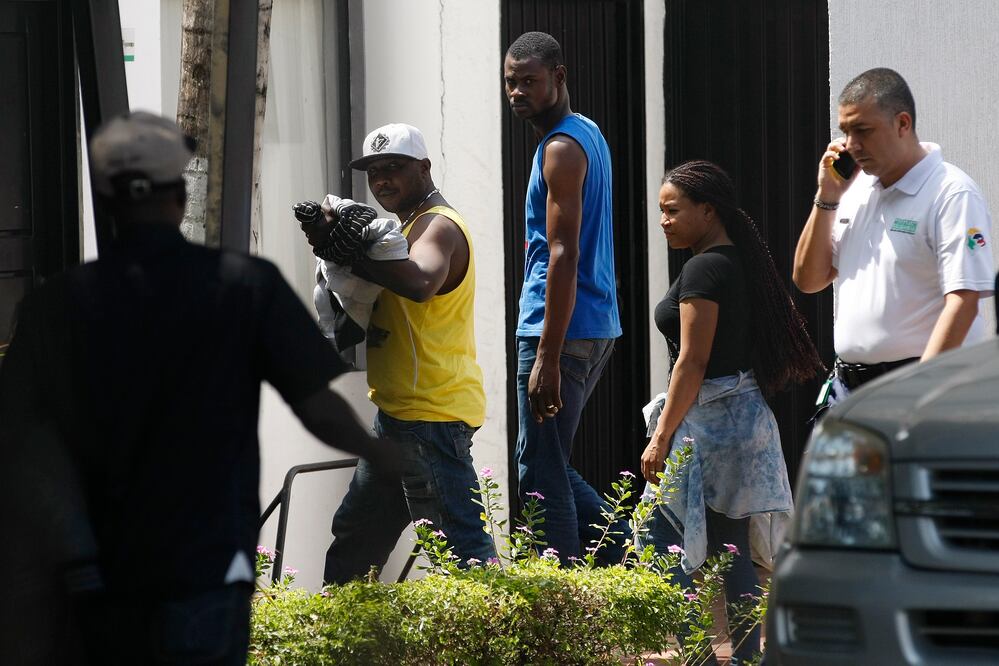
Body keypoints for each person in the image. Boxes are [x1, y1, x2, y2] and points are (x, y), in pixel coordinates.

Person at [0, 112, 392, 665]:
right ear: (179, 198)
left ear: (108, 203)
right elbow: (316, 404)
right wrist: (383, 453)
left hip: (98, 572)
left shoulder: (55, 305)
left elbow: (19, 436)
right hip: (208, 565)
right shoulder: (243, 285)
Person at [637, 161, 823, 665]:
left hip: (710, 425)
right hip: (743, 422)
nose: (664, 221)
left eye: (673, 211)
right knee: (728, 547)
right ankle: (743, 659)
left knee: (662, 539)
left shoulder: (704, 269)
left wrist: (660, 439)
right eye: (660, 212)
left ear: (708, 209)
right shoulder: (737, 262)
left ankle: (699, 656)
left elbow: (692, 361)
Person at [300, 123, 497, 585]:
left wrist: (348, 255)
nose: (383, 179)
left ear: (424, 168)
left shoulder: (438, 226)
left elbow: (420, 282)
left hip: (431, 418)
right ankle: (343, 648)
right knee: (356, 539)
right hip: (398, 416)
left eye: (395, 168)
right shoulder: (403, 227)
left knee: (462, 553)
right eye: (374, 172)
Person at [793, 67, 995, 407]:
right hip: (850, 391)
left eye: (863, 130)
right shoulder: (852, 190)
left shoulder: (951, 193)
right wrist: (827, 196)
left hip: (925, 389)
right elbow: (808, 279)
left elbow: (963, 301)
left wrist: (916, 397)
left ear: (903, 124)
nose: (852, 145)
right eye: (846, 132)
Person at [503, 31, 626, 565]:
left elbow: (562, 253)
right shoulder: (584, 134)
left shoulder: (560, 149)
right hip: (589, 324)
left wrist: (547, 356)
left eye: (529, 80)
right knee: (547, 460)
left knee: (539, 471)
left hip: (561, 330)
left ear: (559, 76)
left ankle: (559, 599)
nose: (518, 92)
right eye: (511, 83)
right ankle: (632, 564)